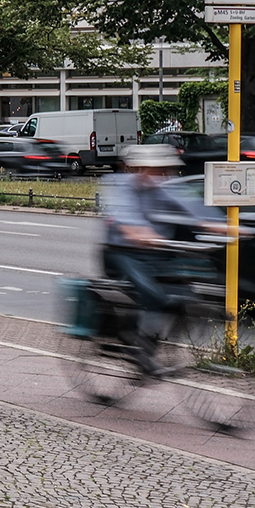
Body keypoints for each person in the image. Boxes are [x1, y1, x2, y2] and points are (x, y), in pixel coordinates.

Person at [100, 142, 207, 363]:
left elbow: (192, 207)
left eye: (166, 171)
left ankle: (148, 345)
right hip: (122, 253)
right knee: (154, 295)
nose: (162, 176)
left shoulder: (165, 187)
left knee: (182, 295)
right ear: (141, 169)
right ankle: (138, 350)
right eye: (158, 170)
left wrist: (222, 226)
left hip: (156, 253)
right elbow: (125, 219)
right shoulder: (121, 186)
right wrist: (141, 233)